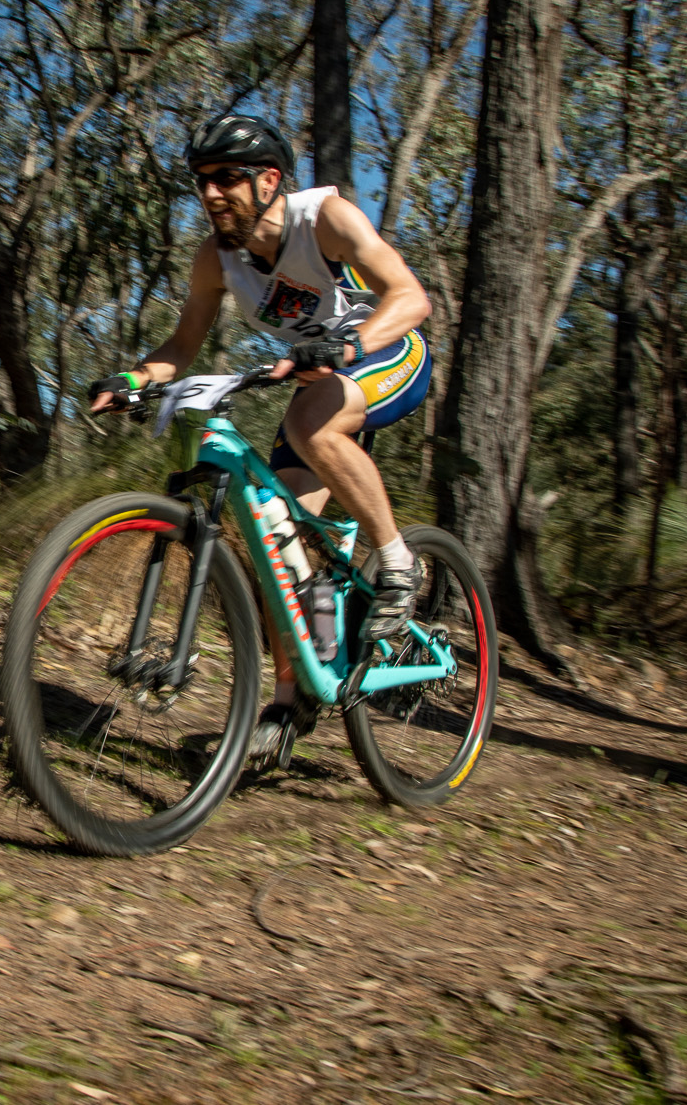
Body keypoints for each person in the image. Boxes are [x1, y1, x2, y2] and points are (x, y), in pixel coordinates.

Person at [86, 114, 433, 754]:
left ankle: (397, 564)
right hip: (320, 379)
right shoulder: (215, 259)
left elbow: (411, 298)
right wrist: (133, 377)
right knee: (279, 543)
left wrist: (350, 345)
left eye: (226, 178)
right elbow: (181, 347)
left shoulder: (324, 219)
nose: (211, 193)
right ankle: (292, 701)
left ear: (269, 180)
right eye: (202, 181)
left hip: (388, 353)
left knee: (307, 422)